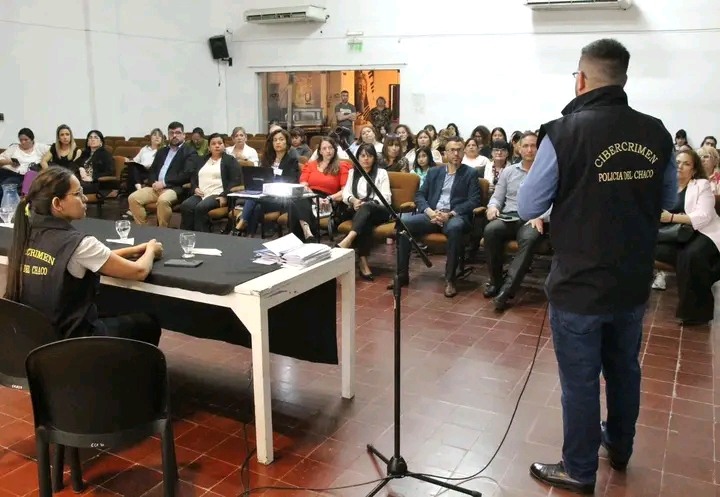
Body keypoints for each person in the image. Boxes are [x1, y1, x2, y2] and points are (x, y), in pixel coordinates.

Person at [517, 39, 676, 495]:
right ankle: (619, 447)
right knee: (624, 369)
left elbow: (528, 205)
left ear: (582, 79)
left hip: (580, 284)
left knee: (580, 381)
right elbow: (668, 199)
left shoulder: (563, 132)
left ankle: (580, 469)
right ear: (623, 78)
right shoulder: (657, 132)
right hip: (632, 280)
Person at [3, 167, 163, 344]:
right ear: (57, 203)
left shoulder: (25, 235)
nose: (85, 198)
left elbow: (83, 259)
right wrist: (151, 250)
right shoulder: (79, 243)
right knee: (147, 323)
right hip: (75, 341)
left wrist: (133, 250)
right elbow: (139, 271)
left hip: (38, 338)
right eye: (78, 194)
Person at [392, 137, 481, 298]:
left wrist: (450, 214)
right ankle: (402, 275)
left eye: (459, 150)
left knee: (455, 228)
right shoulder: (434, 172)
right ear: (445, 153)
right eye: (452, 150)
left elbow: (473, 201)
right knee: (404, 223)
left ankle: (450, 279)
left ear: (463, 152)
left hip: (454, 216)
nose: (456, 153)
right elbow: (419, 195)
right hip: (432, 214)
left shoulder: (470, 173)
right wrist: (430, 212)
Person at [483, 132, 548, 312]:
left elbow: (554, 201)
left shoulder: (547, 172)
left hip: (533, 218)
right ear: (518, 148)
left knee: (529, 239)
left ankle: (506, 291)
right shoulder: (509, 171)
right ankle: (496, 282)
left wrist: (542, 216)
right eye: (525, 146)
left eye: (533, 146)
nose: (529, 150)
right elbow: (497, 197)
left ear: (539, 148)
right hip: (509, 216)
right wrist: (492, 207)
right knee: (491, 230)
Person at [654, 149, 720, 324]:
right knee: (652, 249)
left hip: (703, 231)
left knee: (691, 256)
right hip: (674, 234)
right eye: (677, 163)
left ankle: (695, 314)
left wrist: (673, 217)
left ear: (694, 169)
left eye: (686, 164)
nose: (680, 167)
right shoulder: (664, 186)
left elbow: (704, 216)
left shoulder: (701, 185)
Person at [128, 121, 199, 227]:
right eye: (171, 133)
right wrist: (153, 183)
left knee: (163, 200)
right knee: (133, 198)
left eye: (177, 133)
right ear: (168, 135)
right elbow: (152, 171)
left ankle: (162, 230)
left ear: (184, 135)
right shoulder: (162, 151)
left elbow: (186, 175)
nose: (174, 135)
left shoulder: (190, 152)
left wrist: (164, 183)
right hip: (156, 187)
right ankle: (143, 229)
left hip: (175, 188)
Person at [336, 144, 391, 279]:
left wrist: (368, 204)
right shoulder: (352, 173)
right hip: (359, 209)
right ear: (358, 157)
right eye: (363, 156)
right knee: (365, 221)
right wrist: (354, 200)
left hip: (379, 210)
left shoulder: (381, 173)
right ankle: (363, 262)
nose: (366, 159)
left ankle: (349, 239)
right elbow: (346, 193)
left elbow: (386, 197)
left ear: (374, 158)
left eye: (370, 156)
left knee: (366, 208)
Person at [180, 133, 242, 232]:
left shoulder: (230, 161)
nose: (217, 146)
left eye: (220, 143)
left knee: (201, 207)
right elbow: (194, 177)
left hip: (218, 195)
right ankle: (188, 235)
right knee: (186, 206)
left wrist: (224, 195)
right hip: (201, 194)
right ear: (209, 147)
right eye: (213, 144)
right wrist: (195, 188)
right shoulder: (202, 160)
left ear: (224, 145)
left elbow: (235, 181)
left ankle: (202, 236)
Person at [73, 130, 114, 195]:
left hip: (97, 184)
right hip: (82, 180)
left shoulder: (105, 154)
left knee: (73, 187)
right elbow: (73, 164)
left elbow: (110, 172)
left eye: (96, 137)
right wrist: (81, 168)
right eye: (90, 137)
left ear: (101, 142)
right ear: (88, 142)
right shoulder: (85, 153)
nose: (92, 139)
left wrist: (92, 178)